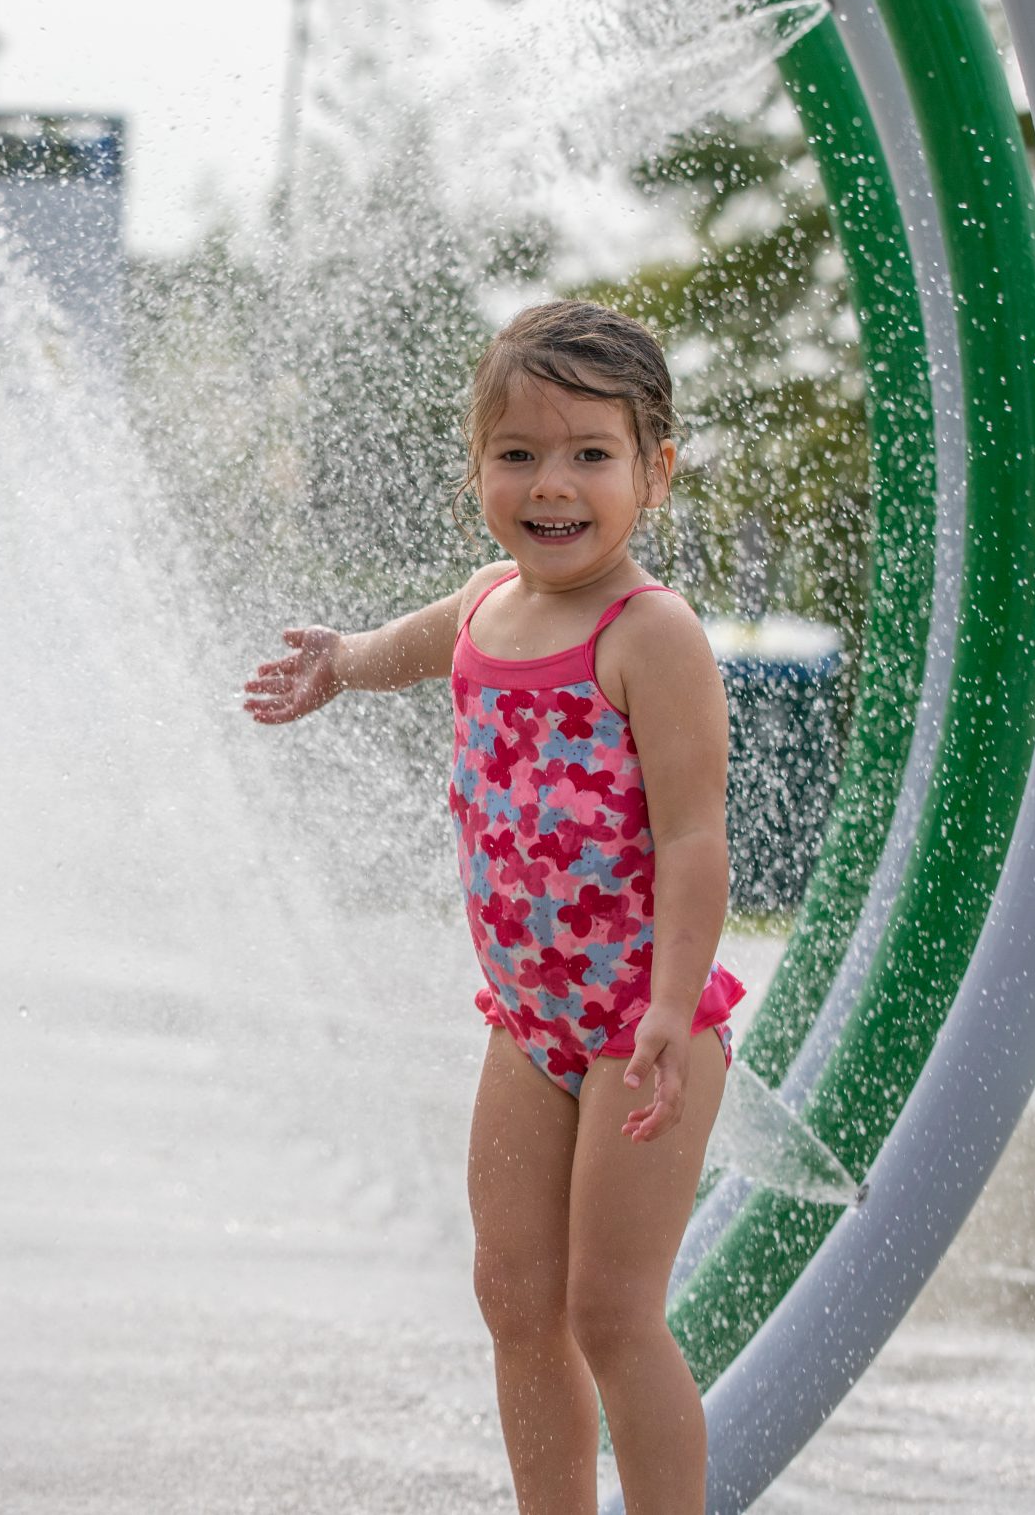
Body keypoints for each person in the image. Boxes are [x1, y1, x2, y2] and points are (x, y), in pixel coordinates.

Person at [242, 299, 742, 1515]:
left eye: (589, 454)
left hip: (639, 1028)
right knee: (515, 1304)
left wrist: (672, 1009)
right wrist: (342, 663)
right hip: (525, 1026)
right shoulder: (483, 602)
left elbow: (693, 838)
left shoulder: (649, 632)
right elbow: (414, 647)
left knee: (611, 1315)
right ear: (475, 468)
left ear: (653, 471)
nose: (549, 484)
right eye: (516, 454)